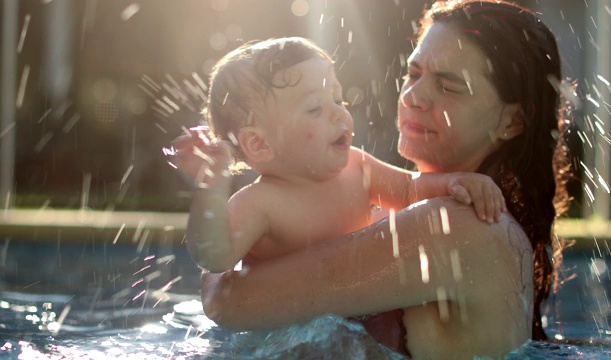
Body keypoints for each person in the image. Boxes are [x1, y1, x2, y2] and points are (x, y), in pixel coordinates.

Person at [195, 0, 573, 358]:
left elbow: (229, 301)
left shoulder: (463, 226)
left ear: (512, 122)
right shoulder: (384, 218)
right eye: (414, 72)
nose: (414, 96)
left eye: (447, 86)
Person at [169, 37, 505, 275]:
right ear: (259, 144)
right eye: (315, 108)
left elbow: (409, 190)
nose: (339, 115)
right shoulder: (260, 203)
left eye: (339, 99)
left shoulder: (357, 167)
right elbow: (214, 259)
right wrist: (210, 190)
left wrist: (455, 182)